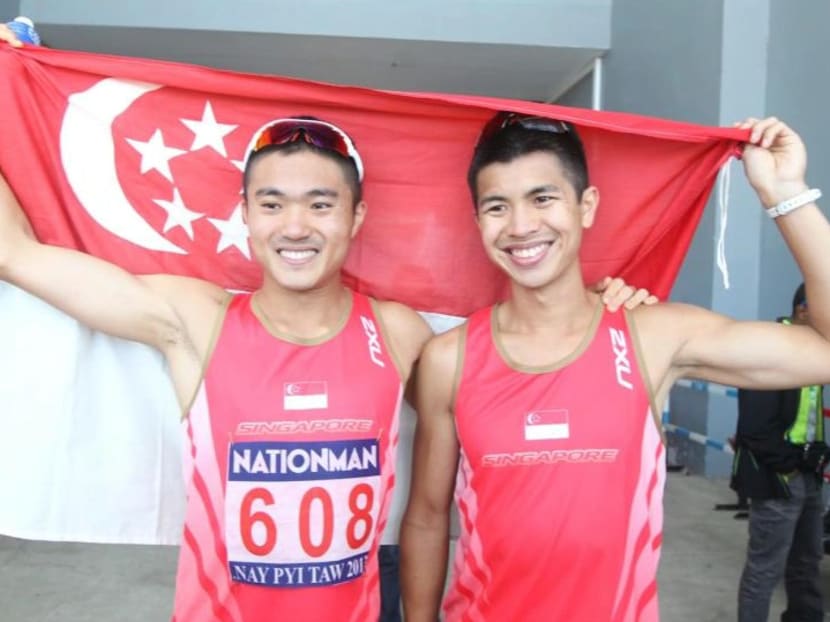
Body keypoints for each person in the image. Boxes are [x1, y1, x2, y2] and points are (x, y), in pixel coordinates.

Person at [400, 113, 830, 622]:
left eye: (543, 198)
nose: (520, 226)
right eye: (498, 206)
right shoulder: (451, 358)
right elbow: (427, 518)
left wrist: (786, 192)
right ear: (478, 222)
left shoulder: (651, 335)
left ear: (586, 207)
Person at [732, 282, 828, 622]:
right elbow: (755, 429)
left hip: (808, 476)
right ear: (805, 308)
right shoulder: (770, 348)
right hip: (779, 478)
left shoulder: (815, 349)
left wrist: (815, 455)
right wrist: (791, 465)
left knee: (807, 562)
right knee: (765, 569)